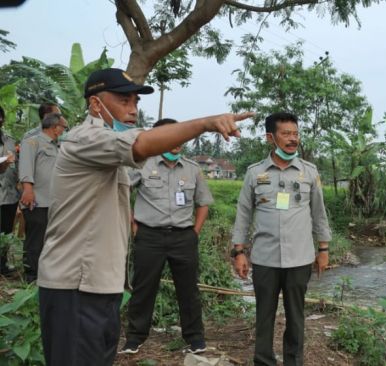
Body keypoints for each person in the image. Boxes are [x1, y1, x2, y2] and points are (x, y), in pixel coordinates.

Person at [37, 68, 253, 366]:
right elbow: (141, 144)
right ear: (96, 104)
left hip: (102, 284)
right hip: (76, 285)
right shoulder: (85, 139)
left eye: (136, 102)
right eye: (124, 100)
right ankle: (137, 337)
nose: (133, 110)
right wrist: (206, 123)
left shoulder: (113, 152)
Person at [231, 112, 331, 366]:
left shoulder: (309, 171)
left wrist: (324, 248)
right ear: (270, 137)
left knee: (296, 316)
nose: (292, 139)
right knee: (263, 315)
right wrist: (238, 251)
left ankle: (293, 362)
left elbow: (319, 212)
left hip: (300, 258)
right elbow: (243, 213)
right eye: (286, 134)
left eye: (295, 133)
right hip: (265, 258)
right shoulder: (255, 173)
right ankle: (264, 361)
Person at [122, 118, 214, 355]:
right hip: (149, 236)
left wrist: (194, 232)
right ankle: (135, 338)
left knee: (188, 289)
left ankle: (195, 338)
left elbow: (203, 202)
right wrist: (133, 222)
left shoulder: (192, 168)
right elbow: (122, 191)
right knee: (143, 287)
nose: (176, 142)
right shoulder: (143, 165)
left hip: (183, 237)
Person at [18, 112, 67, 282]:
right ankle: (31, 277)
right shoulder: (33, 141)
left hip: (54, 202)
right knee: (35, 239)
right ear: (55, 128)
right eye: (64, 127)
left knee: (51, 240)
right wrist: (27, 190)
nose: (64, 131)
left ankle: (46, 275)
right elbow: (25, 167)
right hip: (37, 200)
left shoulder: (58, 146)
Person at [0, 105, 19, 276]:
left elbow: (17, 164)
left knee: (6, 231)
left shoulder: (9, 140)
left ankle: (3, 265)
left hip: (10, 195)